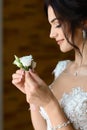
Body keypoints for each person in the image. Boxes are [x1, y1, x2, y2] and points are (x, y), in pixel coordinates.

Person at [12, 0, 87, 130]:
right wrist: (33, 96)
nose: (51, 34)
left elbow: (50, 107)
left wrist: (49, 103)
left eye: (57, 24)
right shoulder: (62, 68)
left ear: (83, 21)